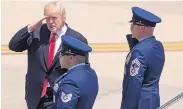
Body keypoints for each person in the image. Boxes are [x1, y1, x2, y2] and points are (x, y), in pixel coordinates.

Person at [9, 2, 88, 109]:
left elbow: (82, 72)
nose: (51, 22)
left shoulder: (76, 39)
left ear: (63, 17)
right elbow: (14, 46)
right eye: (47, 18)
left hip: (60, 96)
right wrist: (30, 28)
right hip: (35, 96)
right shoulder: (37, 32)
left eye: (54, 18)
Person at [120, 7, 165, 109]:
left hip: (139, 104)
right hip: (152, 101)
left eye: (133, 24)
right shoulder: (158, 46)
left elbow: (134, 85)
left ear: (141, 28)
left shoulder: (138, 52)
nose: (131, 27)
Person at [52, 35, 98, 109]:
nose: (59, 57)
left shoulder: (70, 82)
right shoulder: (91, 73)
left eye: (61, 54)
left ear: (71, 57)